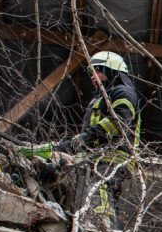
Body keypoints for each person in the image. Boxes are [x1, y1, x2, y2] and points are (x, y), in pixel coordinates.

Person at [22, 51, 141, 221]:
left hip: (113, 156)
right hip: (96, 156)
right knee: (82, 191)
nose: (92, 76)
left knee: (99, 188)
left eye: (97, 71)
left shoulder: (123, 93)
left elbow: (119, 122)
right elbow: (90, 133)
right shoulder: (100, 98)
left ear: (111, 71)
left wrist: (84, 138)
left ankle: (103, 225)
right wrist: (70, 144)